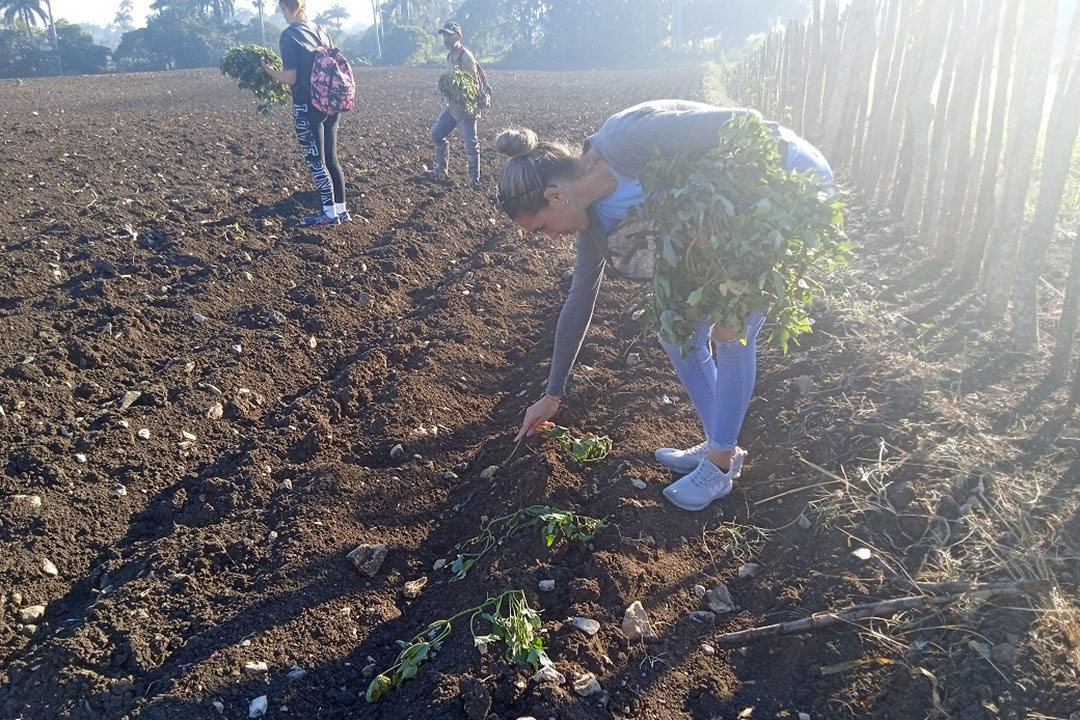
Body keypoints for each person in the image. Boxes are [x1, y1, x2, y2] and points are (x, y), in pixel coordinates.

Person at [496, 100, 835, 512]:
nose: (549, 238)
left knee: (731, 328)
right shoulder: (595, 222)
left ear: (555, 196)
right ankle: (720, 442)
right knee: (677, 332)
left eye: (542, 227)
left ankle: (720, 464)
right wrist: (553, 394)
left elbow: (745, 126)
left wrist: (731, 222)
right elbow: (579, 298)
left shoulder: (627, 141)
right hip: (719, 226)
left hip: (782, 192)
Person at [261, 0, 349, 227]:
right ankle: (341, 210)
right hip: (329, 103)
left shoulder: (289, 35)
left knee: (316, 161)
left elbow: (290, 77)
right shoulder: (321, 30)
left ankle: (329, 214)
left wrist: (267, 70)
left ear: (284, 8)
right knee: (332, 160)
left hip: (307, 105)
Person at [429, 21, 488, 189]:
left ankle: (473, 181)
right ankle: (441, 169)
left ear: (458, 36)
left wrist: (471, 103)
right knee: (436, 133)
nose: (447, 38)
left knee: (470, 144)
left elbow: (474, 84)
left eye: (450, 35)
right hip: (453, 107)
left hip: (466, 108)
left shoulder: (466, 56)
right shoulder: (450, 56)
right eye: (445, 35)